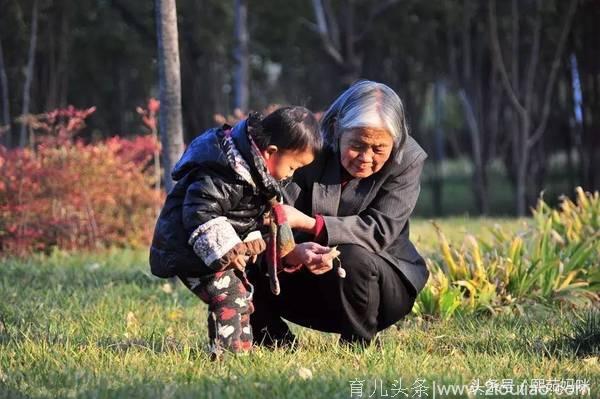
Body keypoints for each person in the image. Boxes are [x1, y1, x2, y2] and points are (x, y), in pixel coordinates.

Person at [249, 80, 429, 346]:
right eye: (357, 145)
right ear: (336, 130)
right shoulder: (307, 147)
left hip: (378, 288)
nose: (366, 157)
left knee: (352, 254)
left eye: (379, 149)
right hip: (302, 278)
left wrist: (312, 225)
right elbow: (275, 212)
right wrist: (294, 251)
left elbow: (380, 230)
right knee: (243, 250)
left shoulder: (408, 159)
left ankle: (358, 344)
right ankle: (273, 340)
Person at [149, 107, 322, 356]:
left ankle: (242, 348)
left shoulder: (256, 176)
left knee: (242, 296)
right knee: (229, 296)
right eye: (293, 167)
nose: (291, 175)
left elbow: (245, 216)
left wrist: (252, 239)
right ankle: (226, 352)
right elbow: (199, 211)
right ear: (271, 152)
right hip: (192, 250)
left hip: (212, 252)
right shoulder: (225, 172)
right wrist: (230, 248)